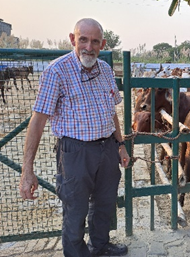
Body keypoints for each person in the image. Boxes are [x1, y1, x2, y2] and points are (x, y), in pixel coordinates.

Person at [19, 18, 132, 257]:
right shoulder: (56, 71)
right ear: (73, 39)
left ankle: (100, 246)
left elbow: (111, 113)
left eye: (94, 41)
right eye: (83, 40)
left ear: (102, 44)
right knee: (75, 209)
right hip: (75, 152)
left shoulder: (106, 71)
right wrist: (27, 170)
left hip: (107, 149)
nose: (88, 47)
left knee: (104, 203)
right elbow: (38, 121)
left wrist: (120, 146)